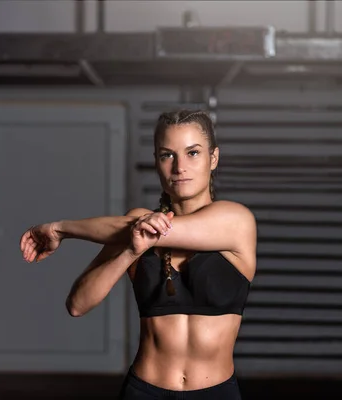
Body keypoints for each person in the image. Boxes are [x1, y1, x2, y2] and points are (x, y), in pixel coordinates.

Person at [19, 110, 257, 399]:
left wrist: (59, 229)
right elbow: (77, 305)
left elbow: (148, 229)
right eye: (167, 155)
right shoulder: (134, 229)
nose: (180, 166)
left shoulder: (235, 220)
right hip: (144, 391)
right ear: (156, 161)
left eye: (193, 153)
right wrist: (130, 252)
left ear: (213, 158)